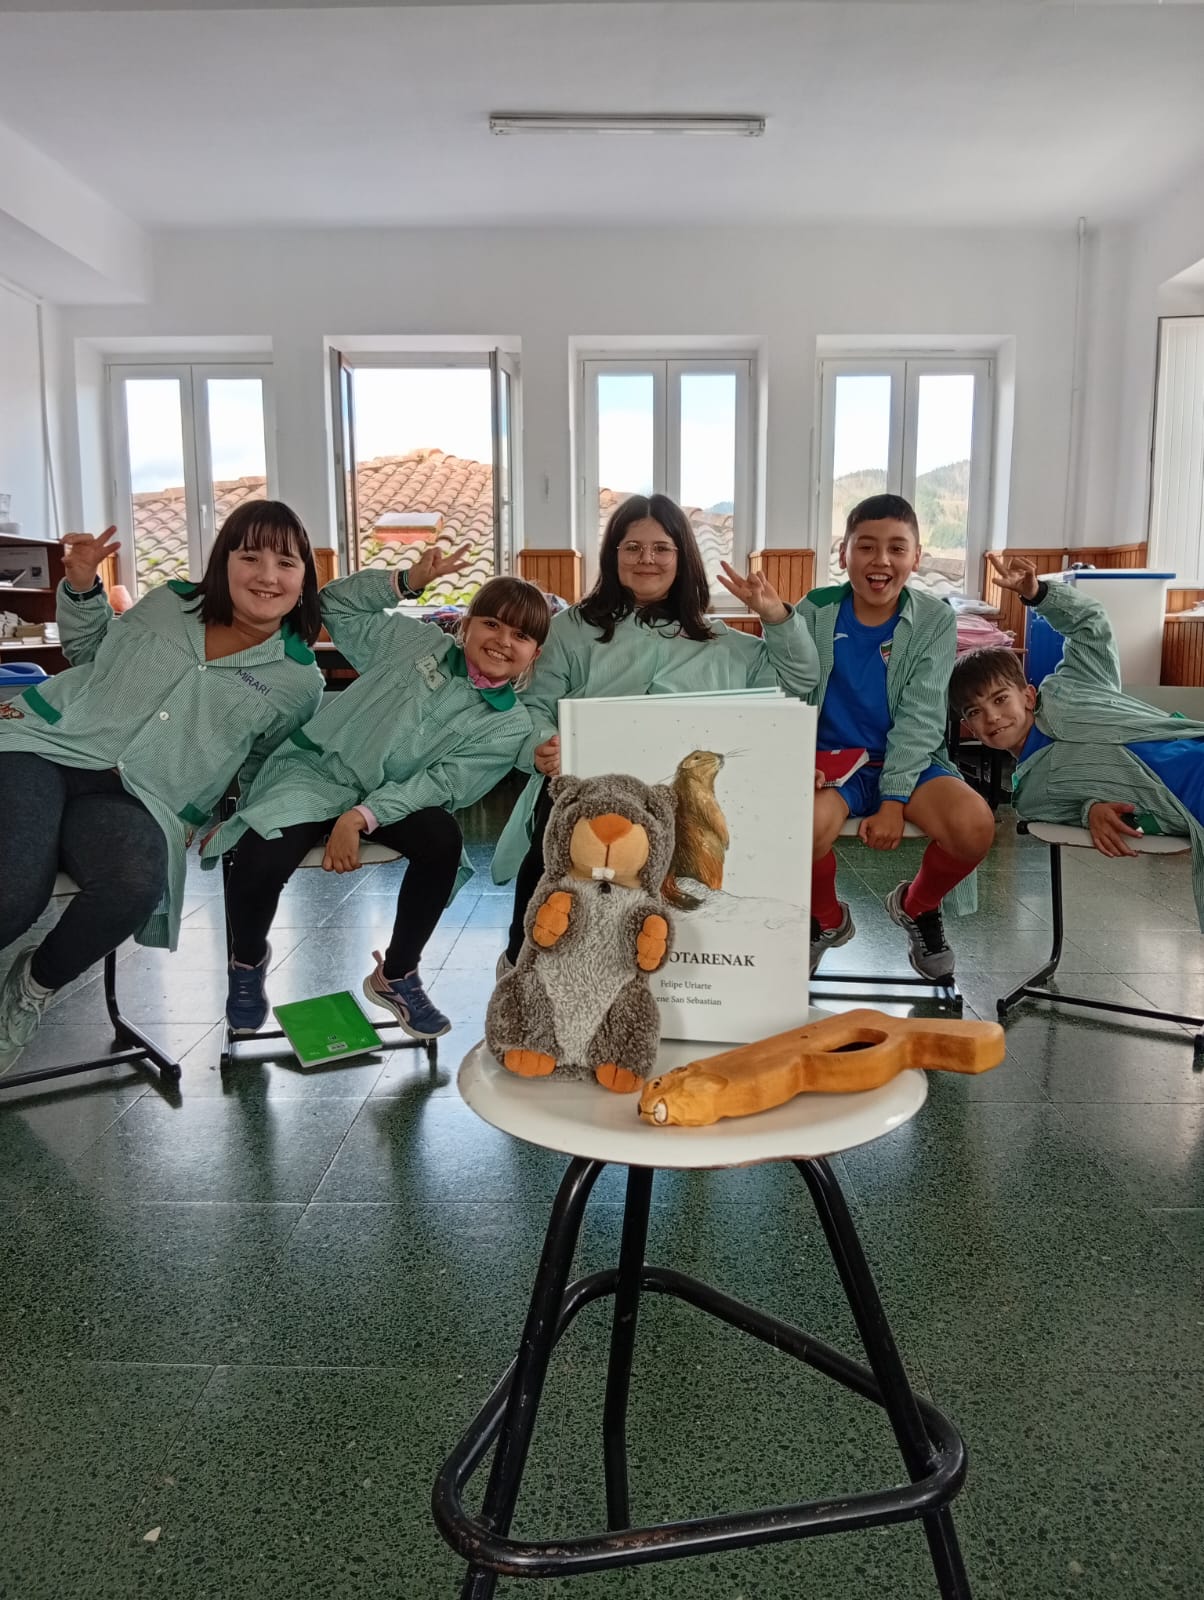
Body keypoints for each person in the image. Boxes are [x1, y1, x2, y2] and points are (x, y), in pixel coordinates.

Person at [0, 501, 324, 1074]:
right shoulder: (170, 604)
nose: (267, 575)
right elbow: (89, 652)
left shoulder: (298, 681)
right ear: (224, 563)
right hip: (48, 746)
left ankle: (30, 987)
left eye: (285, 563)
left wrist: (243, 819)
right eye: (250, 556)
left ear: (304, 580)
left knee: (133, 885)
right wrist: (82, 587)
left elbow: (265, 765)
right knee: (13, 892)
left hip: (142, 795)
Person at [206, 549, 550, 1041]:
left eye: (521, 635)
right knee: (260, 854)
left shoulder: (509, 724)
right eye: (492, 624)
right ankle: (247, 960)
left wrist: (360, 817)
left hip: (391, 799)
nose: (502, 641)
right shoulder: (416, 642)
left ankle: (397, 974)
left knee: (442, 838)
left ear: (535, 653)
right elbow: (335, 605)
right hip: (315, 774)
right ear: (466, 625)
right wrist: (404, 581)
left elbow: (440, 785)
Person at [492, 492, 820, 968]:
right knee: (554, 850)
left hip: (674, 807)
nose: (647, 558)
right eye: (632, 547)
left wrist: (776, 618)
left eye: (662, 548)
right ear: (613, 555)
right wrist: (541, 744)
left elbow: (800, 680)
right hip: (584, 792)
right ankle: (524, 968)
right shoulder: (570, 630)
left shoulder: (724, 644)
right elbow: (533, 706)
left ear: (683, 558)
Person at [950, 551, 1204, 925]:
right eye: (975, 712)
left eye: (1000, 699)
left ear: (1028, 696)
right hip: (1187, 805)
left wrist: (1037, 594)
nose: (992, 717)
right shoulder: (1032, 796)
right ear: (970, 729)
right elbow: (1081, 813)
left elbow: (1091, 623)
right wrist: (1091, 811)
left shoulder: (1073, 686)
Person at [801, 494, 995, 981]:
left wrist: (893, 799)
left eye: (896, 548)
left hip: (911, 761)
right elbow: (787, 688)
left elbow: (922, 715)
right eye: (866, 546)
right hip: (833, 766)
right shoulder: (813, 611)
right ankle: (826, 919)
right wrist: (795, 760)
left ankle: (917, 905)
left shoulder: (934, 619)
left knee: (974, 825)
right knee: (797, 829)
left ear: (917, 557)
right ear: (843, 553)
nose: (881, 560)